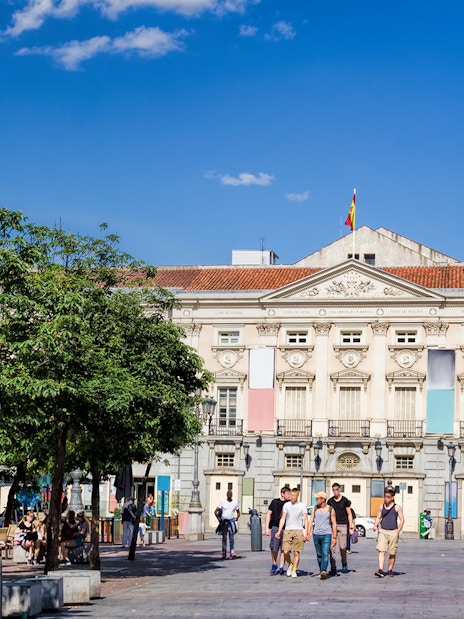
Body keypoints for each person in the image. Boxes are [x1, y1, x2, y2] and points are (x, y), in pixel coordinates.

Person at [276, 488, 309, 578]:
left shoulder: (302, 506)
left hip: (298, 530)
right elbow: (283, 518)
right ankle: (290, 564)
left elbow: (306, 520)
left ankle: (294, 570)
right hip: (288, 530)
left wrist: (307, 533)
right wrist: (279, 531)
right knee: (286, 551)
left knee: (296, 552)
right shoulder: (286, 505)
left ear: (297, 496)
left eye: (294, 496)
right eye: (291, 495)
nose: (291, 497)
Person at [372, 486, 405, 577]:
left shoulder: (397, 507)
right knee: (381, 550)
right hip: (383, 530)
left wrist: (397, 531)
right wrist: (375, 525)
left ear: (392, 497)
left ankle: (390, 569)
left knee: (392, 552)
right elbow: (379, 517)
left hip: (393, 531)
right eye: (385, 496)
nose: (386, 499)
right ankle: (381, 570)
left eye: (388, 497)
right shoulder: (381, 506)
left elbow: (402, 520)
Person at [307, 491, 337, 579]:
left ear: (323, 499)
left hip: (326, 534)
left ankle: (324, 570)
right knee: (319, 554)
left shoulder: (330, 509)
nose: (316, 500)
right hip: (316, 534)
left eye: (317, 498)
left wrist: (334, 537)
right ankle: (321, 571)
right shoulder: (315, 509)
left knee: (325, 553)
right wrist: (308, 533)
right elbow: (311, 521)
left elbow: (334, 523)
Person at [328, 482, 353, 574]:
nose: (335, 491)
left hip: (343, 525)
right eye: (333, 490)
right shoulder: (330, 501)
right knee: (332, 548)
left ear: (340, 490)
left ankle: (344, 563)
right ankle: (333, 567)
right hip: (332, 526)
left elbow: (349, 514)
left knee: (342, 547)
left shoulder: (345, 501)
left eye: (337, 490)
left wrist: (351, 527)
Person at [265, 485, 291, 575]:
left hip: (286, 528)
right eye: (288, 494)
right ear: (282, 494)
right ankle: (274, 563)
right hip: (275, 527)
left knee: (284, 548)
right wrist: (266, 528)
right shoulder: (275, 502)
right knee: (274, 547)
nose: (289, 495)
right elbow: (268, 514)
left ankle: (281, 567)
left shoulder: (289, 504)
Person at [215, 490, 240, 559]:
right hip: (224, 522)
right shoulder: (223, 502)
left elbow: (238, 512)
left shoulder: (235, 503)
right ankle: (224, 552)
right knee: (224, 538)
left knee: (231, 538)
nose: (229, 495)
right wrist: (218, 518)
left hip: (231, 522)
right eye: (228, 494)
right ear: (226, 495)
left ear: (232, 495)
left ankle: (232, 552)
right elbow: (215, 511)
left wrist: (237, 517)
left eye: (230, 494)